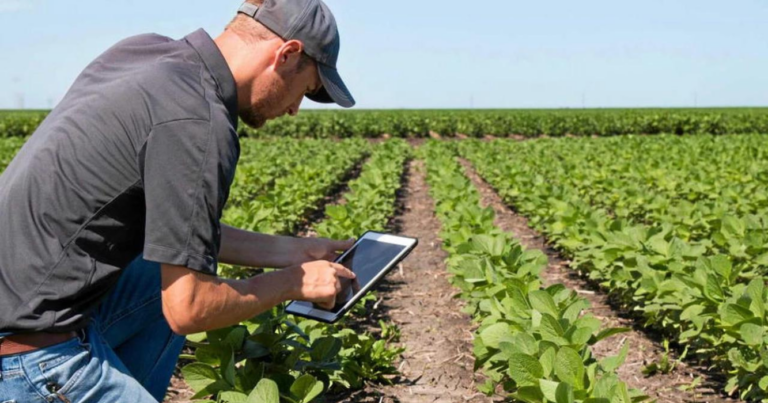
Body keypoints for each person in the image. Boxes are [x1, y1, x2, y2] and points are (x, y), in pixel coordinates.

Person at [0, 0, 357, 401]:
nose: (294, 110)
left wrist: (298, 252)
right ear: (287, 54)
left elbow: (181, 235)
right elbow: (190, 309)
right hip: (28, 358)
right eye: (304, 90)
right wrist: (295, 282)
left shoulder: (143, 54)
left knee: (159, 270)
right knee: (181, 288)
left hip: (20, 310)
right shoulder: (200, 123)